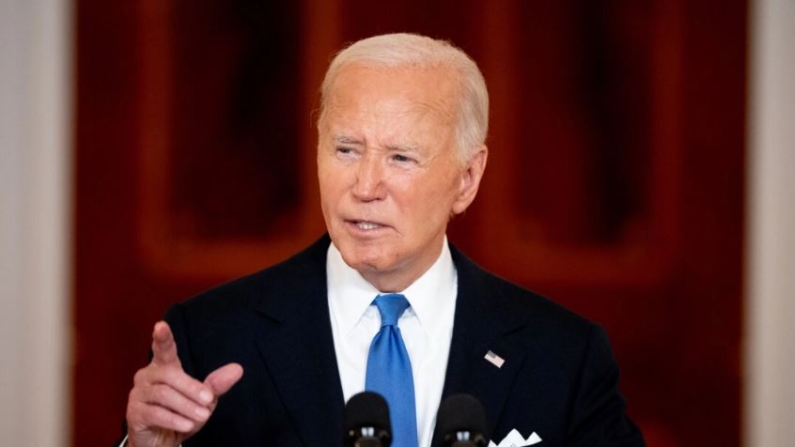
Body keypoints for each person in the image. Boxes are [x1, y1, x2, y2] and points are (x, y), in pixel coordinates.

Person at [120, 33, 645, 447]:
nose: (365, 187)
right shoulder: (208, 338)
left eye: (401, 157)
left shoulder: (562, 355)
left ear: (467, 178)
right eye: (346, 149)